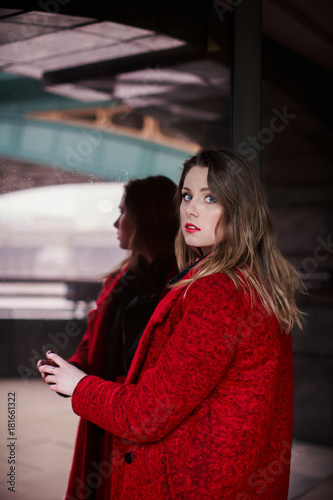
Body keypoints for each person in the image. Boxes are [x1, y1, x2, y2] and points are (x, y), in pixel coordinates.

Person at [38, 148, 304, 500]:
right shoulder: (246, 282)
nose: (191, 208)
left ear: (241, 210)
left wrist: (81, 386)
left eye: (211, 198)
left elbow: (148, 414)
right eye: (187, 196)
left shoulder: (219, 291)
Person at [38, 175, 178, 500]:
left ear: (145, 218)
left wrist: (83, 383)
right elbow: (93, 341)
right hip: (105, 412)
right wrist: (70, 370)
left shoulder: (179, 287)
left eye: (123, 211)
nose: (116, 222)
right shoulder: (119, 281)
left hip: (131, 419)